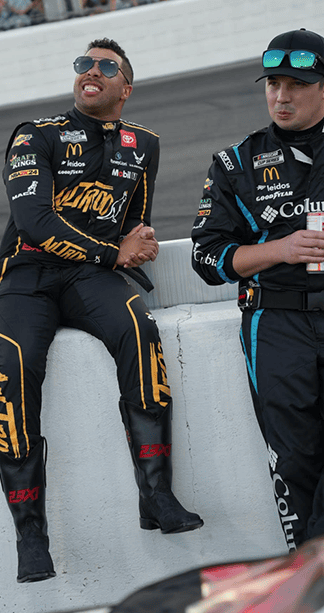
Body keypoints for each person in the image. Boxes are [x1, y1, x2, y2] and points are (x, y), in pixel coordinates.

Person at [0, 38, 203, 584]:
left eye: (107, 67)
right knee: (12, 369)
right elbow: (33, 219)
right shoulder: (35, 135)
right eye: (84, 64)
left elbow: (139, 219)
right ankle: (30, 534)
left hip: (90, 277)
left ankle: (156, 495)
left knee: (140, 328)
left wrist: (139, 240)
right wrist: (114, 251)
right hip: (26, 277)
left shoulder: (144, 143)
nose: (92, 71)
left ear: (125, 88)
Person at [191, 28, 324, 553]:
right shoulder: (236, 164)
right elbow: (207, 259)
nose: (281, 96)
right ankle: (308, 575)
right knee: (294, 460)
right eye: (273, 83)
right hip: (276, 326)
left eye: (297, 83)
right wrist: (282, 250)